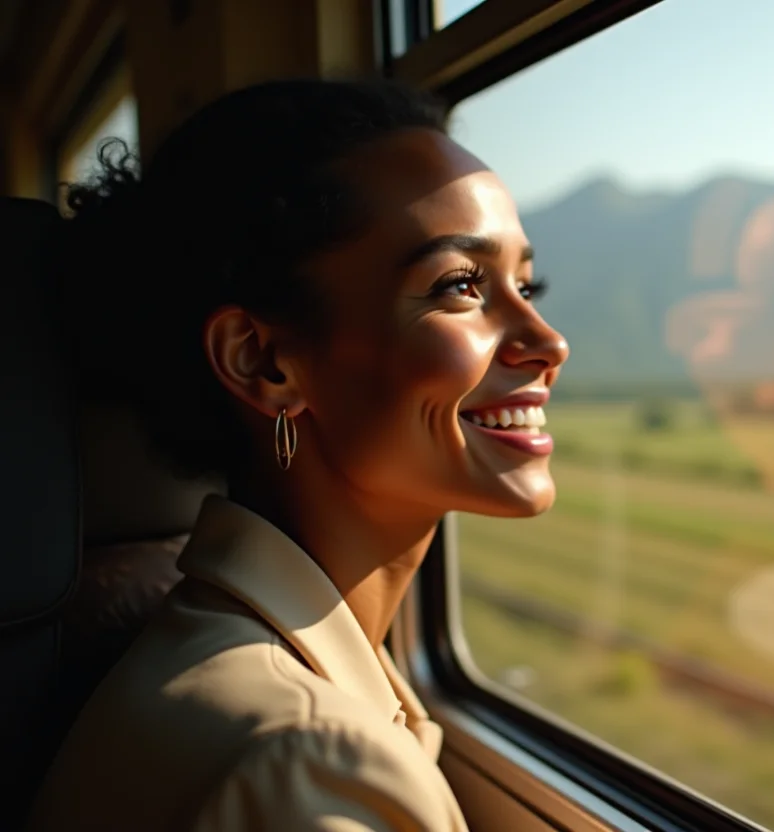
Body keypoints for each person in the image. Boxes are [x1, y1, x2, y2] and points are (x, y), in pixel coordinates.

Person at [27, 78, 567, 832]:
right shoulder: (307, 766)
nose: (548, 342)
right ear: (263, 362)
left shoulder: (267, 688)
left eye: (526, 286)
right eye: (460, 286)